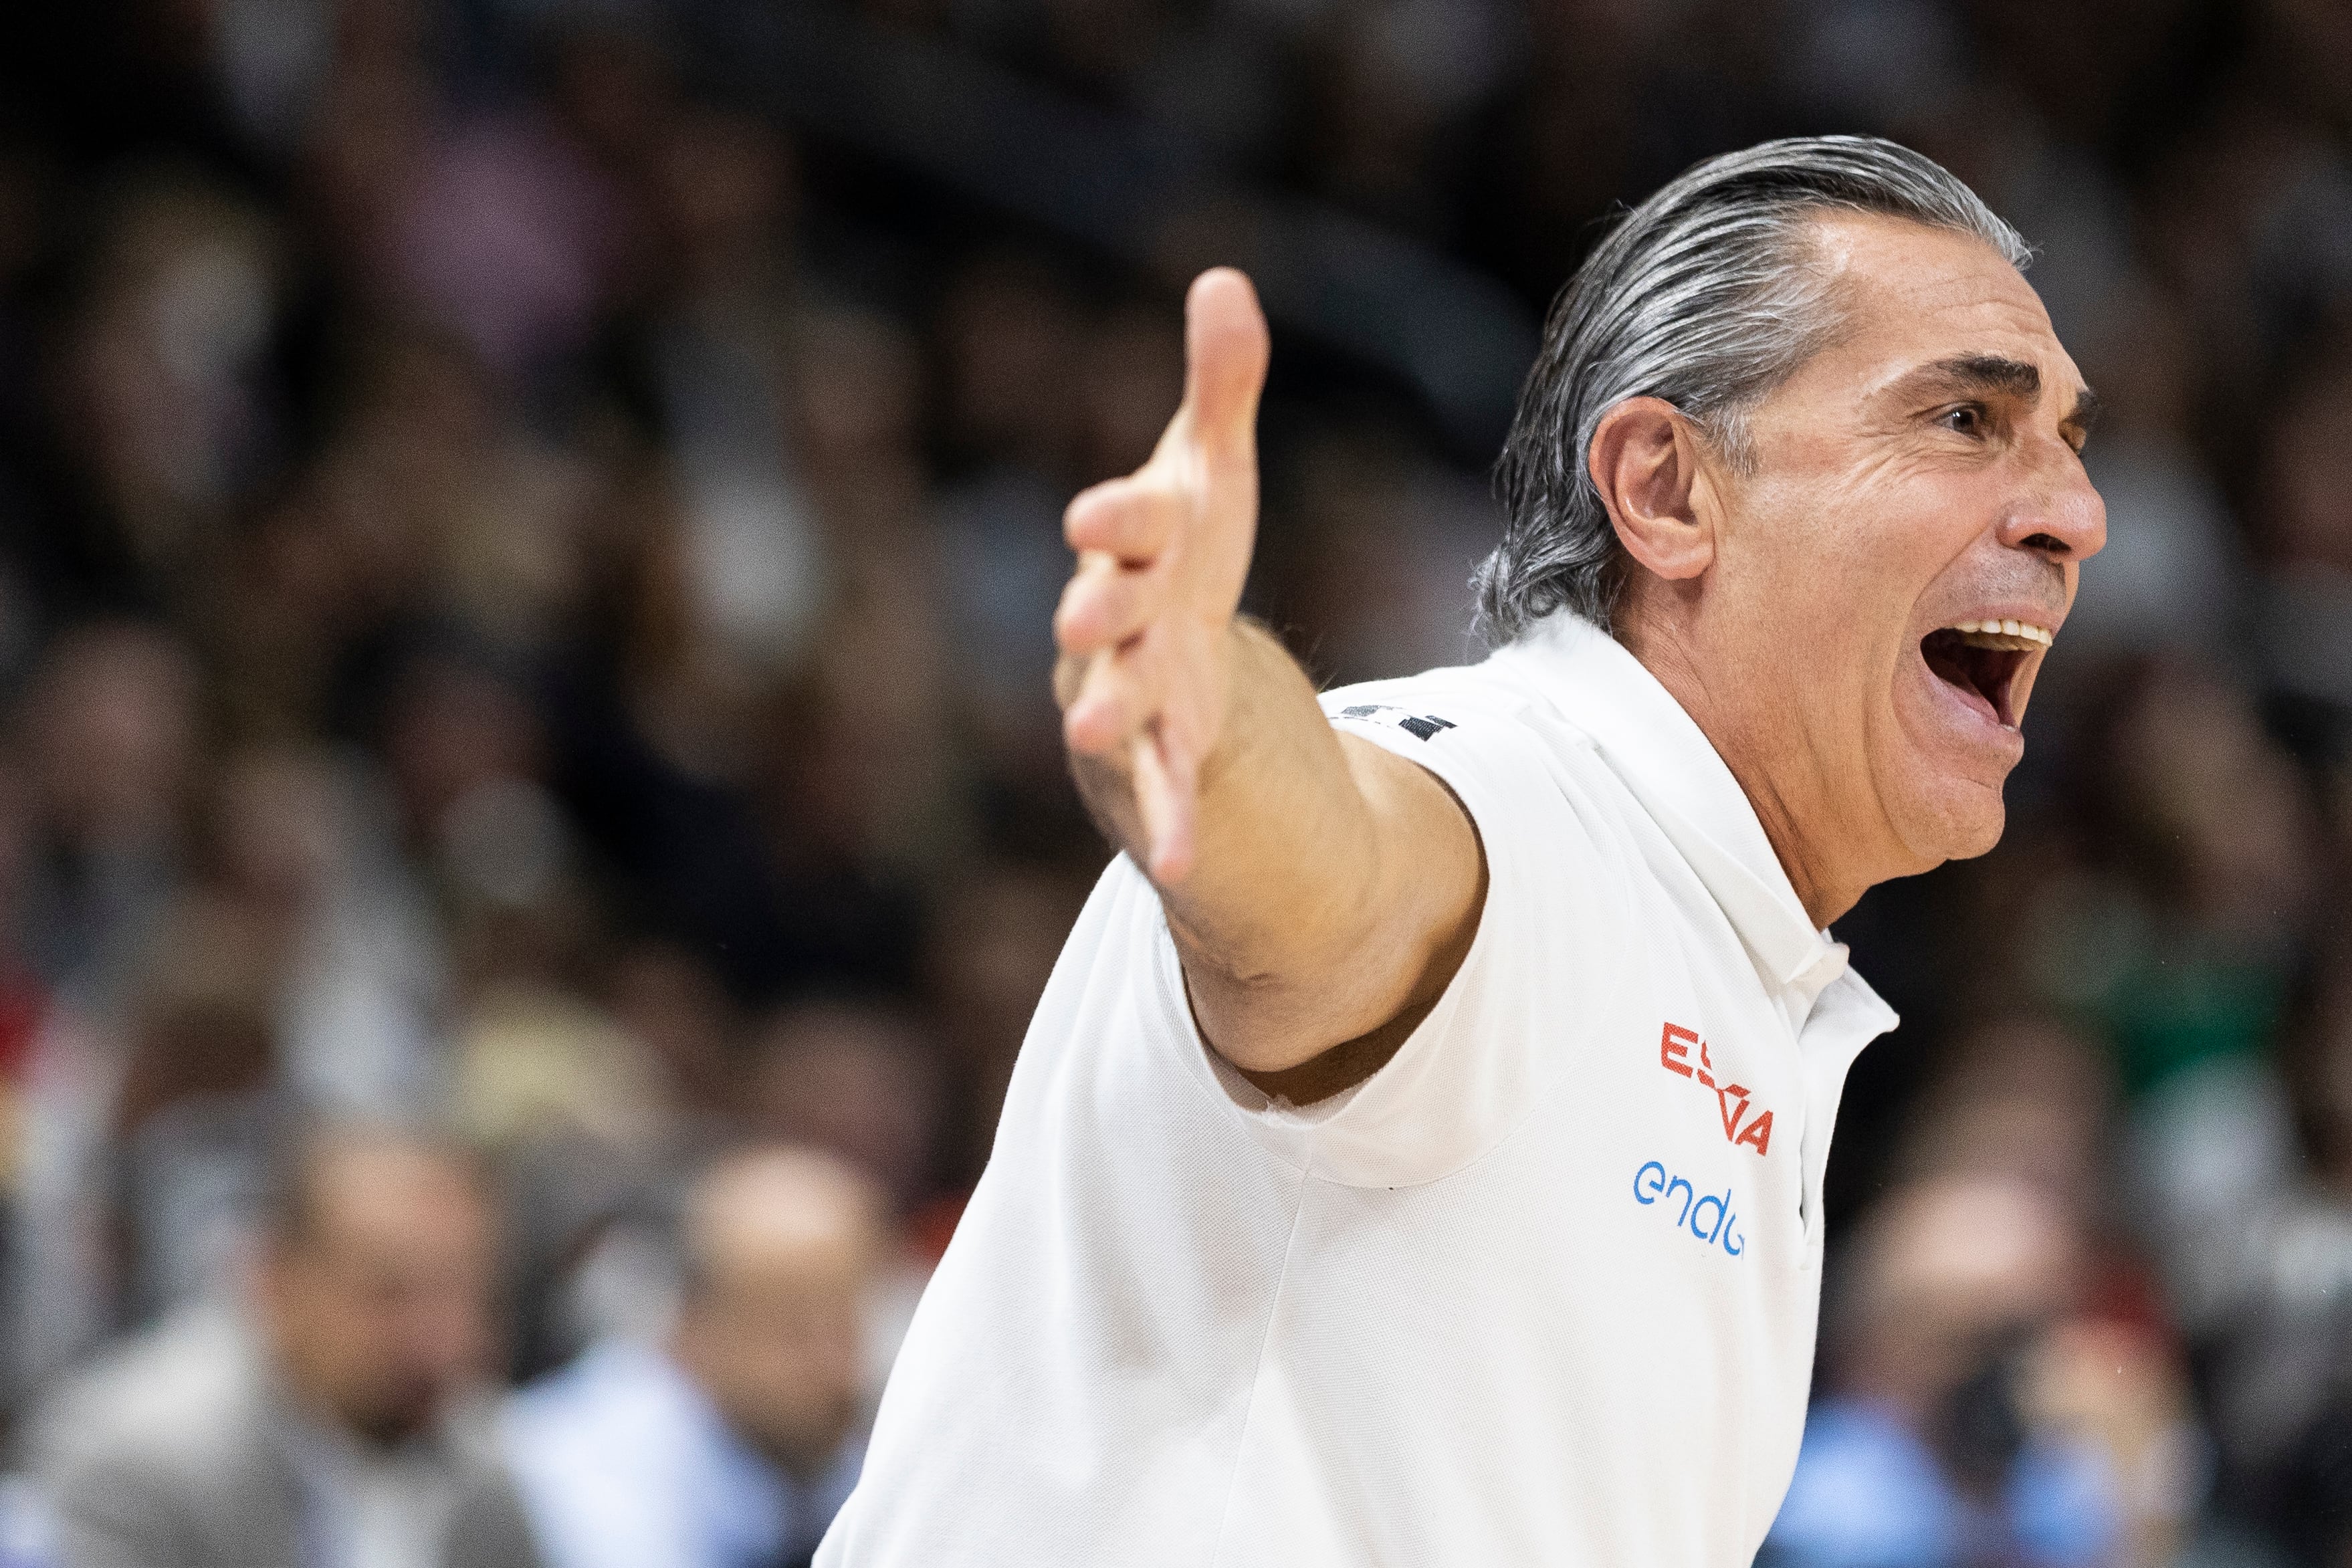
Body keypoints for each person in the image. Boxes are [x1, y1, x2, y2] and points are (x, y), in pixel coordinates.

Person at [821, 134, 2107, 1565]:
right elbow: (1337, 871)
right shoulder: (1517, 799)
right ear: (1668, 490)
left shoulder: (1739, 959)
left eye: (2068, 437)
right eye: (1964, 421)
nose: (2075, 512)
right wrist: (1208, 714)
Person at [33, 1121, 537, 1568]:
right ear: (272, 1280)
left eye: (463, 1293)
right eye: (390, 1294)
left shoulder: (475, 1454)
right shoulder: (140, 1461)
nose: (439, 1339)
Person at [502, 1147, 886, 1568]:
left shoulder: (833, 1454)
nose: (833, 1368)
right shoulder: (581, 1471)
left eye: (846, 1330)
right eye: (795, 1335)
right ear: (694, 1328)